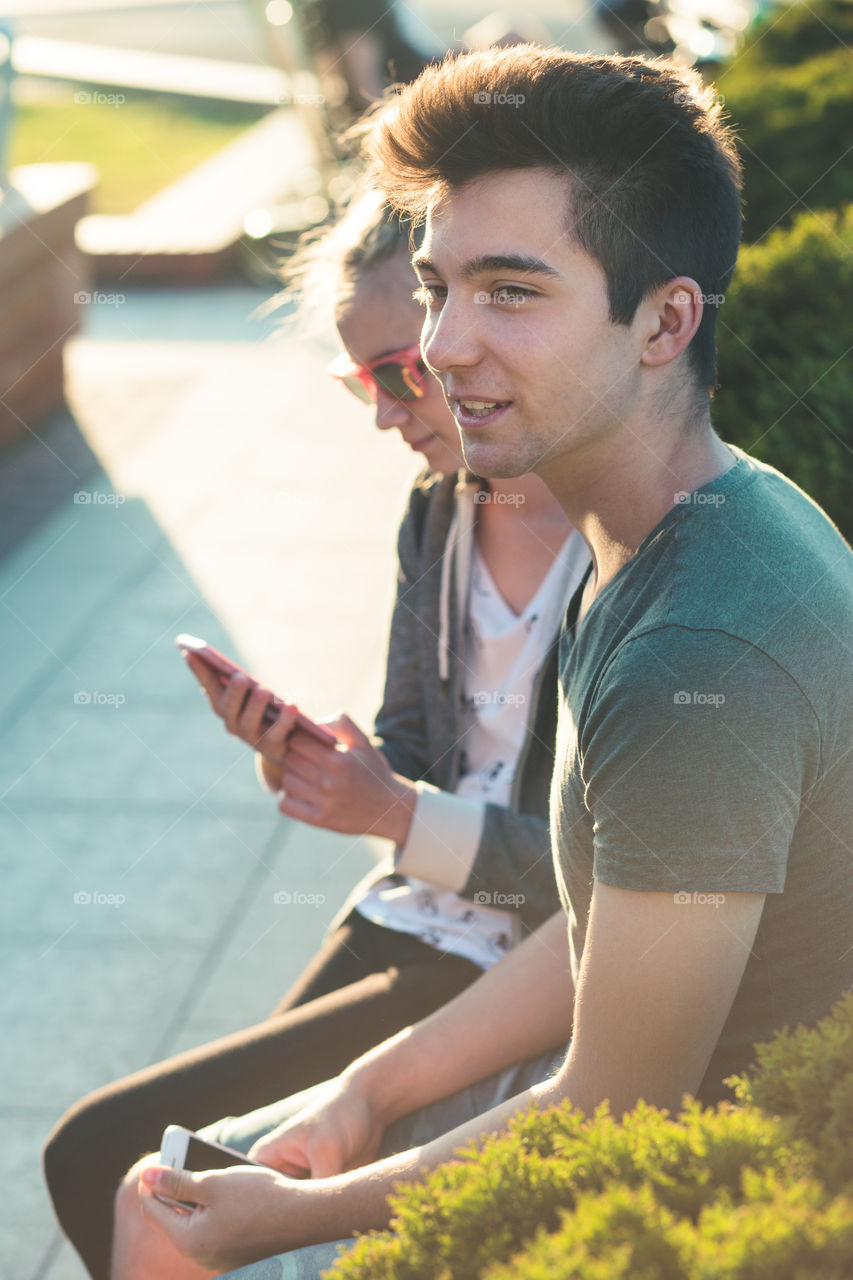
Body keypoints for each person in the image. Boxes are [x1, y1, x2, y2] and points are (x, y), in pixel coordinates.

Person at [107, 43, 853, 1280]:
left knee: (161, 1213)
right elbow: (607, 922)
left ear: (665, 319)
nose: (444, 346)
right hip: (636, 1110)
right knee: (161, 1174)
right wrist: (362, 1087)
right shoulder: (692, 515)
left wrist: (292, 1219)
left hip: (707, 1196)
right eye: (437, 286)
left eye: (511, 291)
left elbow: (619, 1112)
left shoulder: (695, 648)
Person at [43, 190, 588, 1280]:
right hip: (408, 916)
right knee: (178, 1173)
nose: (387, 414)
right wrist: (322, 764)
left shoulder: (618, 549)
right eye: (362, 384)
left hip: (507, 960)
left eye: (399, 372)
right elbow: (411, 745)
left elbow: (601, 881)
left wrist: (394, 811)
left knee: (122, 1158)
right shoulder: (436, 512)